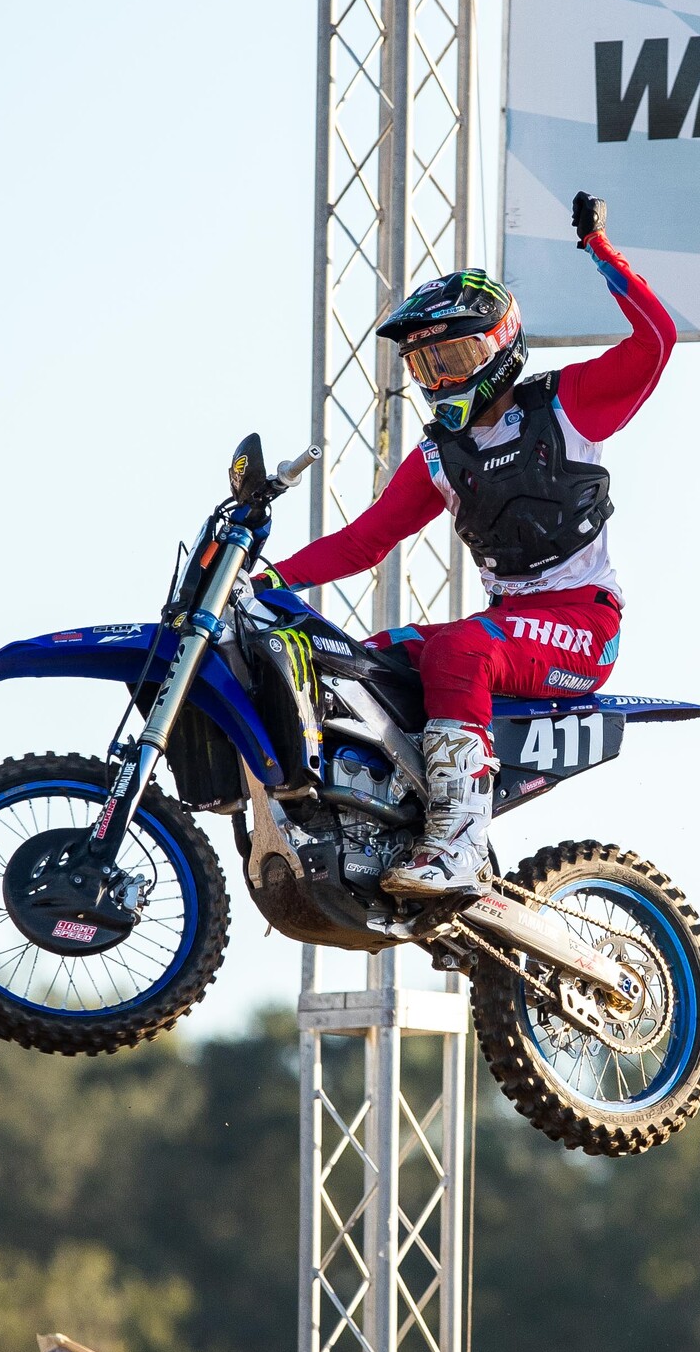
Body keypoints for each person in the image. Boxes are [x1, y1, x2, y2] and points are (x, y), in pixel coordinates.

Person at [256, 192, 676, 896]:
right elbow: (364, 543)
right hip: (509, 626)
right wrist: (266, 581)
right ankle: (381, 824)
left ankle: (456, 839)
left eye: (454, 355)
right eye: (427, 366)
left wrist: (603, 254)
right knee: (360, 661)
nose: (443, 378)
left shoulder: (568, 405)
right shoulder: (439, 457)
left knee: (459, 647)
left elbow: (656, 342)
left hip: (583, 623)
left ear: (501, 342)